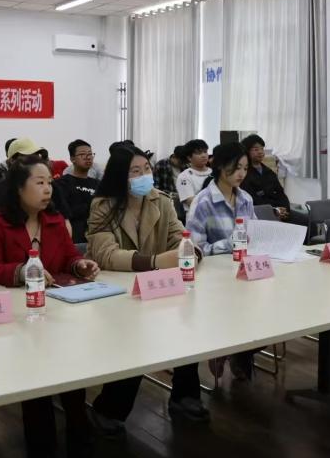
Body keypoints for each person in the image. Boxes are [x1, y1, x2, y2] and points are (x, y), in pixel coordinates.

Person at [0, 155, 99, 458]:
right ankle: (41, 445)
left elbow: (69, 256)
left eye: (50, 183)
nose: (48, 189)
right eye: (40, 182)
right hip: (19, 317)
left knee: (71, 372)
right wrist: (23, 272)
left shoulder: (54, 220)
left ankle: (79, 433)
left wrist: (80, 265)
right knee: (35, 383)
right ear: (19, 188)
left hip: (56, 312)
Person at [86, 145, 209, 430]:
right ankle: (109, 409)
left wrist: (191, 252)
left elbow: (181, 238)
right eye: (135, 171)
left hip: (159, 288)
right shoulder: (103, 205)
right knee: (135, 343)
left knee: (187, 324)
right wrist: (155, 261)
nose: (144, 176)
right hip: (119, 294)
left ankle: (185, 395)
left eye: (147, 169)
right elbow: (105, 254)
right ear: (120, 176)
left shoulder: (161, 201)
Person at [186, 142, 260, 381]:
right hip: (214, 281)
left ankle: (239, 352)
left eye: (245, 168)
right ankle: (225, 349)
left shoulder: (246, 199)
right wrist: (228, 244)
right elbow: (193, 250)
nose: (241, 173)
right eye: (236, 167)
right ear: (219, 166)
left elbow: (255, 234)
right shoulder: (203, 202)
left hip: (244, 275)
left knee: (268, 316)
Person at [54, 139, 100, 247]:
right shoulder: (61, 184)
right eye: (82, 154)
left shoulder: (98, 184)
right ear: (72, 159)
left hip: (96, 239)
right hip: (73, 240)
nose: (88, 157)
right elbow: (64, 212)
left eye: (90, 154)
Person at [240, 134, 294, 221]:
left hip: (281, 213)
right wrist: (275, 210)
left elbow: (281, 194)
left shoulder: (269, 172)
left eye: (262, 148)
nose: (260, 152)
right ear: (247, 152)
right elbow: (254, 200)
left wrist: (285, 209)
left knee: (309, 223)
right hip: (262, 215)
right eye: (256, 149)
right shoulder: (243, 174)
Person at [176, 139, 212, 212]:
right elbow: (191, 201)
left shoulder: (215, 173)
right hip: (197, 216)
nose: (204, 155)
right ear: (189, 157)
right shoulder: (184, 177)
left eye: (205, 152)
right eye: (199, 153)